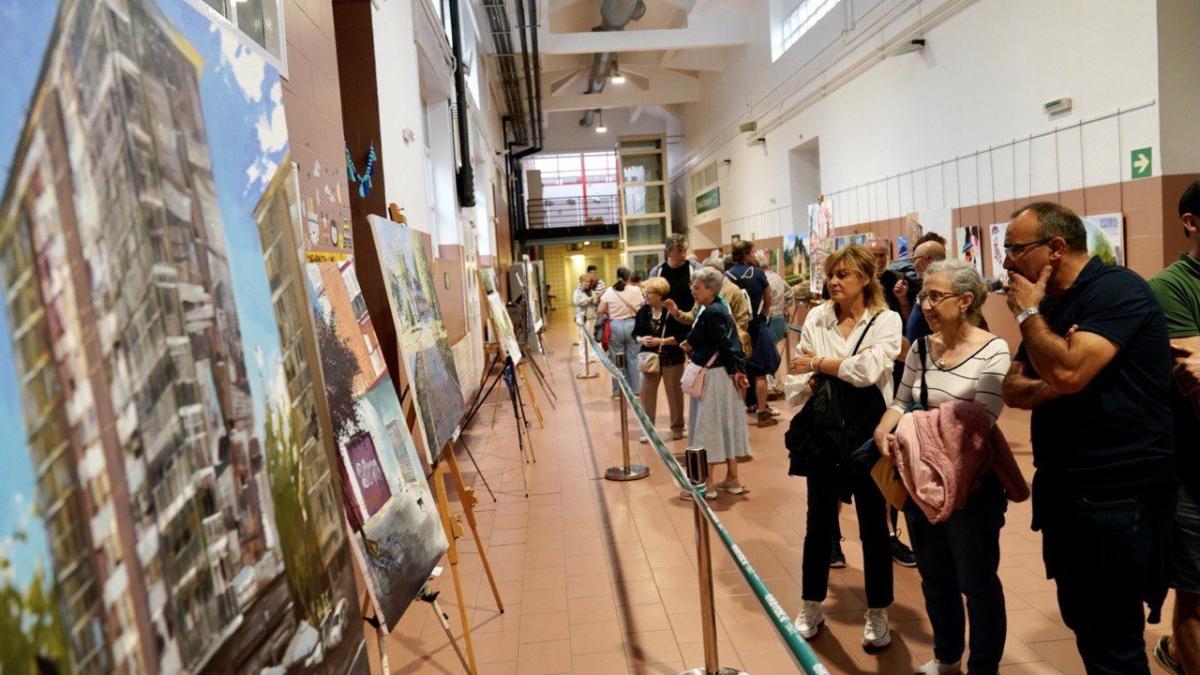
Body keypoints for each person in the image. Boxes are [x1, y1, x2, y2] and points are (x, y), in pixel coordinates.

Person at [1001, 202, 1175, 674]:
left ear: (1055, 248)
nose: (1006, 263)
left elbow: (1068, 369)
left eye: (1015, 249)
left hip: (1116, 493)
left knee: (1115, 638)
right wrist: (1058, 375)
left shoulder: (1116, 290)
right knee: (1084, 621)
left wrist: (1035, 324)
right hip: (1066, 489)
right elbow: (1013, 388)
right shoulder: (1053, 307)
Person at [873, 259, 1013, 675]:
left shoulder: (994, 349)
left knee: (978, 581)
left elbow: (981, 417)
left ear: (966, 300)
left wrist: (914, 427)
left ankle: (984, 666)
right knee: (935, 577)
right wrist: (884, 429)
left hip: (971, 484)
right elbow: (900, 402)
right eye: (923, 296)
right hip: (921, 481)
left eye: (936, 296)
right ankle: (948, 656)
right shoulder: (920, 347)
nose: (926, 305)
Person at [787, 244, 903, 651]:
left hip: (870, 433)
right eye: (832, 274)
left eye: (845, 275)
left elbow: (869, 372)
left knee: (874, 525)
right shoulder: (817, 317)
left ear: (866, 279)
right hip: (822, 433)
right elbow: (795, 379)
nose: (834, 281)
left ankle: (878, 610)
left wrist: (819, 365)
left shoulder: (886, 320)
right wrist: (824, 370)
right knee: (818, 524)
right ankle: (811, 602)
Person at [1149, 179, 1200, 675]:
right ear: (1191, 222)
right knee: (1197, 595)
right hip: (1193, 470)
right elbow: (1196, 380)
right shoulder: (1171, 288)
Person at [867, 239, 920, 567]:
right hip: (864, 378)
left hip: (895, 376)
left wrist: (903, 299)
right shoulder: (852, 288)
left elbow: (908, 328)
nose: (877, 260)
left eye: (881, 255)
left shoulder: (897, 284)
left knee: (890, 462)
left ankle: (889, 535)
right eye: (872, 256)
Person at [679, 267, 752, 498]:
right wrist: (737, 371)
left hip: (713, 377)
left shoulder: (711, 312)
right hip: (724, 375)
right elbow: (730, 344)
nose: (692, 290)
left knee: (707, 428)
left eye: (697, 287)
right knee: (726, 426)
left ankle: (706, 484)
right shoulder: (719, 308)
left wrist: (735, 369)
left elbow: (725, 344)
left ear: (711, 289)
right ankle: (733, 479)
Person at [728, 240, 779, 427]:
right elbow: (768, 299)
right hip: (757, 327)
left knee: (740, 372)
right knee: (760, 373)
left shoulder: (726, 276)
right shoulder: (757, 274)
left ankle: (738, 417)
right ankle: (762, 413)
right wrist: (762, 316)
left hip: (737, 330)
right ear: (747, 254)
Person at [633, 277, 689, 442]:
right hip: (650, 359)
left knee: (674, 394)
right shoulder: (643, 311)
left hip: (672, 358)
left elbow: (682, 336)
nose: (646, 295)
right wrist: (641, 340)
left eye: (649, 292)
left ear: (659, 294)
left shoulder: (672, 311)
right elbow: (634, 333)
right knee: (646, 395)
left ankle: (677, 427)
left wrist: (661, 341)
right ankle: (648, 429)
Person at [598, 267, 645, 399]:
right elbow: (642, 307)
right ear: (629, 277)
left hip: (615, 326)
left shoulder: (609, 291)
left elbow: (601, 310)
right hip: (632, 326)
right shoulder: (636, 290)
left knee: (617, 359)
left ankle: (619, 391)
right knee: (634, 358)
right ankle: (636, 390)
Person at [901, 235, 948, 344]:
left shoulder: (939, 290)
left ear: (925, 259)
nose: (913, 265)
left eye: (914, 259)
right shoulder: (928, 287)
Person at [761, 252, 795, 400]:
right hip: (779, 318)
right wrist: (784, 307)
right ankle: (776, 385)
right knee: (772, 351)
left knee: (769, 353)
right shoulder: (777, 277)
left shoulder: (762, 279)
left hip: (768, 319)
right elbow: (790, 293)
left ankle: (775, 386)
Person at [650, 234, 702, 314]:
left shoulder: (695, 269)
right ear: (669, 253)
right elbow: (652, 299)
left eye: (685, 251)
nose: (684, 255)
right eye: (680, 251)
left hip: (689, 320)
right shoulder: (657, 272)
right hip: (666, 321)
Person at [573, 274, 601, 362]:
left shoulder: (590, 291)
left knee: (591, 337)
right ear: (581, 282)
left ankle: (592, 356)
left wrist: (596, 299)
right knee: (583, 338)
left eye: (589, 282)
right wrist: (589, 299)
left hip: (592, 316)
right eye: (586, 282)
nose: (588, 284)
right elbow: (577, 302)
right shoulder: (577, 292)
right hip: (584, 318)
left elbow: (594, 301)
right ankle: (583, 357)